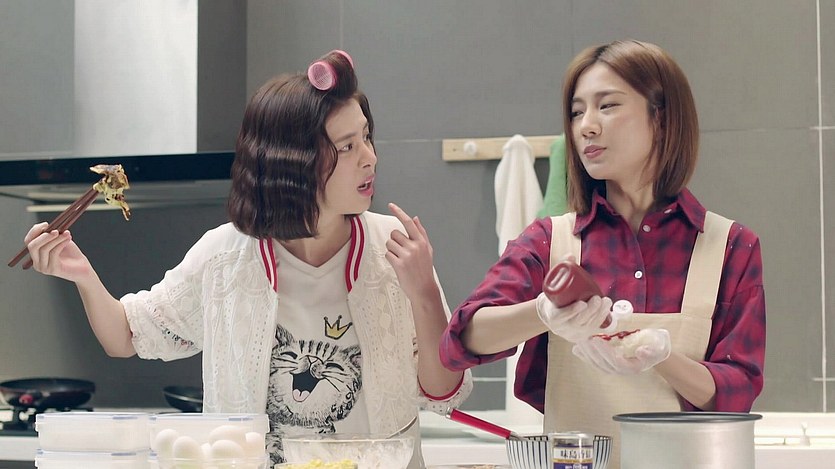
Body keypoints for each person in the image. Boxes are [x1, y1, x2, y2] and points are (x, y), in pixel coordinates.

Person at [23, 50, 471, 468]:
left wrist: (424, 293)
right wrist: (82, 275)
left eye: (367, 138)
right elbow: (125, 335)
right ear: (295, 162)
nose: (370, 158)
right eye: (347, 147)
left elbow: (442, 393)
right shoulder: (224, 257)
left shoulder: (394, 247)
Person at [440, 39, 765, 467]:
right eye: (577, 112)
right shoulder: (549, 241)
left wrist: (663, 358)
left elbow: (737, 393)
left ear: (662, 118)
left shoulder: (730, 247)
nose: (586, 127)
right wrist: (542, 313)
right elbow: (460, 343)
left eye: (607, 106)